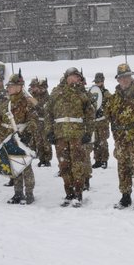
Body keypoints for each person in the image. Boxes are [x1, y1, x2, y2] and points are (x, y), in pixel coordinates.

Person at [104, 64, 134, 209]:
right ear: (118, 80)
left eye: (126, 77)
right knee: (122, 169)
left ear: (131, 78)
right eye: (121, 78)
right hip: (120, 140)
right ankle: (125, 197)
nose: (124, 80)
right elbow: (107, 117)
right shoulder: (113, 99)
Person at [48, 68, 96, 206]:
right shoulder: (56, 93)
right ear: (67, 77)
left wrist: (88, 132)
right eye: (72, 76)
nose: (75, 79)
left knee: (78, 165)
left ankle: (78, 194)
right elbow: (48, 113)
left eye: (77, 77)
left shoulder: (83, 94)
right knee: (64, 165)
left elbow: (90, 114)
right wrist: (49, 131)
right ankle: (68, 193)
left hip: (77, 135)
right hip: (60, 134)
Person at [0, 74, 39, 205]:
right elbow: (2, 119)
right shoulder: (7, 102)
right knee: (14, 165)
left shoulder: (27, 102)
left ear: (19, 87)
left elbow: (33, 121)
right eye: (9, 86)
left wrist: (27, 134)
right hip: (10, 137)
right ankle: (17, 193)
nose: (9, 88)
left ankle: (29, 194)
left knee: (26, 166)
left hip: (24, 137)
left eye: (11, 86)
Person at [89, 72, 111, 170]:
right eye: (96, 82)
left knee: (103, 141)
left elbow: (110, 104)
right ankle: (97, 160)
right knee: (95, 142)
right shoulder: (92, 92)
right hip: (94, 120)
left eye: (99, 81)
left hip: (102, 120)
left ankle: (104, 160)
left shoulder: (106, 93)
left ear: (102, 81)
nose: (97, 83)